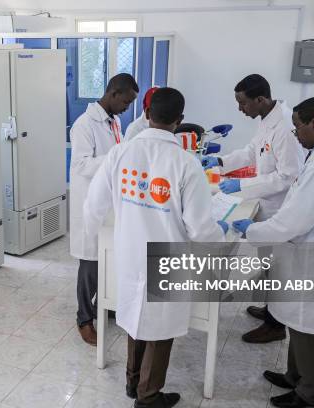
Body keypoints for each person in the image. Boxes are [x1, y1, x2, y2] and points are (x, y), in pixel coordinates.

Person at [84, 88, 226, 408]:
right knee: (160, 330)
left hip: (130, 250)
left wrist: (95, 240)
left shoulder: (121, 153)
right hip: (167, 255)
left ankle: (133, 383)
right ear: (180, 121)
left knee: (136, 316)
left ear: (147, 114)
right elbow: (201, 228)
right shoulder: (186, 163)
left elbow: (94, 204)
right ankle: (149, 397)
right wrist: (222, 240)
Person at [232, 97, 314, 408]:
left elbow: (293, 222)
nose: (296, 135)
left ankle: (310, 394)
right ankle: (295, 376)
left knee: (309, 329)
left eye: (298, 128)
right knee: (300, 323)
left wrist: (251, 230)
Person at [201, 74, 304, 344]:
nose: (239, 109)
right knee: (269, 264)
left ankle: (275, 325)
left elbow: (287, 176)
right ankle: (272, 311)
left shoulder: (284, 127)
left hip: (280, 208)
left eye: (242, 103)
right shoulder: (267, 120)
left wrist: (242, 186)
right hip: (266, 204)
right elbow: (250, 152)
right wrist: (220, 161)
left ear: (260, 99)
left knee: (278, 266)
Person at [70, 73, 139, 346]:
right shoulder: (84, 125)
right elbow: (81, 165)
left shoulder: (114, 121)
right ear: (113, 93)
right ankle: (84, 320)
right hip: (91, 204)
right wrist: (116, 159)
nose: (128, 107)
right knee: (90, 265)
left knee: (110, 257)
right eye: (126, 101)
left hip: (111, 202)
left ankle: (106, 305)